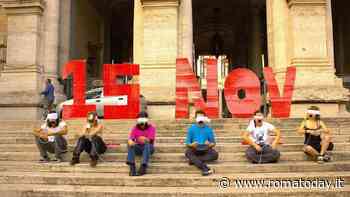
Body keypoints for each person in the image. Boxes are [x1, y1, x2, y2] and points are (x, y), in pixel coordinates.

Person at [185, 110, 218, 176]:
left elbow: (213, 143)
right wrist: (192, 144)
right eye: (198, 117)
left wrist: (209, 144)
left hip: (205, 148)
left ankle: (193, 160)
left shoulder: (208, 129)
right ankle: (205, 169)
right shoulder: (191, 129)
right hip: (195, 148)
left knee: (215, 154)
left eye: (202, 117)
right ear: (195, 118)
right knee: (188, 152)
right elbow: (187, 143)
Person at [126, 112, 156, 176]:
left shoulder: (151, 128)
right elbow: (131, 138)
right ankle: (132, 167)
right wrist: (130, 141)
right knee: (130, 144)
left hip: (149, 148)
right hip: (138, 147)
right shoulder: (135, 128)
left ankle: (143, 166)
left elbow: (150, 140)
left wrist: (144, 139)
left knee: (147, 144)